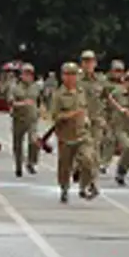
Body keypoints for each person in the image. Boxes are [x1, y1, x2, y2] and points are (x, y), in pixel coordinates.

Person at [44, 62, 93, 202]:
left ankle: (84, 187)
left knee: (88, 160)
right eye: (68, 74)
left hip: (82, 134)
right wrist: (71, 115)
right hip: (66, 136)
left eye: (74, 74)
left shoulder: (81, 92)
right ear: (63, 76)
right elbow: (54, 117)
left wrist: (87, 118)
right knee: (65, 165)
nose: (71, 77)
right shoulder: (58, 95)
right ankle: (64, 188)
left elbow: (86, 109)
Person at [8, 62, 43, 178]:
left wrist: (41, 110)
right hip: (19, 119)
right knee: (17, 145)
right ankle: (18, 167)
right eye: (25, 74)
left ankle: (31, 162)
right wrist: (22, 103)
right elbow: (11, 102)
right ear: (21, 75)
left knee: (34, 141)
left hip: (32, 119)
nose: (28, 76)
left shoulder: (36, 87)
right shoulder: (15, 87)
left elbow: (40, 100)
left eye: (30, 74)